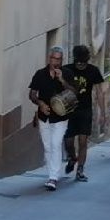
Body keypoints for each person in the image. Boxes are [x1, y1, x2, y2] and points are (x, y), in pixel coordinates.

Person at [27, 47, 71, 191]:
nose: (56, 62)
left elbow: (74, 92)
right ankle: (51, 173)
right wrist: (40, 103)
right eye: (54, 58)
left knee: (56, 143)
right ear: (49, 58)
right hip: (44, 116)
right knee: (48, 146)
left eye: (59, 59)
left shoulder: (66, 73)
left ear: (62, 60)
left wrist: (62, 80)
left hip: (61, 117)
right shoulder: (40, 74)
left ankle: (54, 177)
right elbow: (32, 94)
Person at [62, 44, 104, 180]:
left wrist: (102, 112)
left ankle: (80, 170)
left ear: (87, 60)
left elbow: (99, 92)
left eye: (83, 63)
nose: (80, 65)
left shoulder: (93, 71)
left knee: (83, 141)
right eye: (78, 63)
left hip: (85, 110)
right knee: (68, 141)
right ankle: (72, 158)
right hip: (69, 110)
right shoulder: (67, 69)